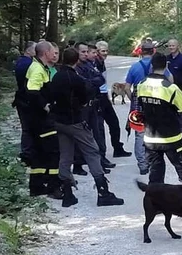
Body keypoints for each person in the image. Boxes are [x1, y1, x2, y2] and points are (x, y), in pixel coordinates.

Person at [49, 47, 124, 208]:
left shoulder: (56, 76)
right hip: (75, 121)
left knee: (65, 156)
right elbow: (85, 97)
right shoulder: (74, 78)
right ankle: (103, 192)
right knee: (92, 152)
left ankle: (67, 194)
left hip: (59, 122)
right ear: (76, 60)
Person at [138, 52, 182, 184]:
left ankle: (155, 202)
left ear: (151, 66)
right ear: (166, 66)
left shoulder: (141, 84)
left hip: (150, 138)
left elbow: (140, 106)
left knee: (155, 174)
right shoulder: (170, 88)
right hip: (171, 138)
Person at [125, 41, 172, 175]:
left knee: (140, 134)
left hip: (139, 103)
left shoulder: (134, 67)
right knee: (154, 132)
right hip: (156, 102)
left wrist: (133, 100)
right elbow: (171, 80)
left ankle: (142, 164)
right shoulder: (158, 66)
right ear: (153, 51)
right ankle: (153, 160)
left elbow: (127, 87)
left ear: (141, 51)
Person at [24, 41, 62, 198]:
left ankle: (37, 186)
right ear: (45, 53)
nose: (54, 54)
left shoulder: (39, 67)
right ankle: (54, 186)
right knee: (53, 152)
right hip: (42, 120)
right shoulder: (38, 69)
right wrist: (45, 105)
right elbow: (32, 92)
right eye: (52, 52)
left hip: (35, 119)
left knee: (39, 153)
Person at [75, 42, 115, 173]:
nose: (86, 54)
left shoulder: (89, 65)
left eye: (87, 52)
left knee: (98, 133)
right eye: (83, 52)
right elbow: (83, 85)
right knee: (83, 136)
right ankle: (78, 164)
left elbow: (100, 79)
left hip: (95, 103)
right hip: (83, 106)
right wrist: (91, 82)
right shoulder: (76, 67)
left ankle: (100, 162)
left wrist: (91, 82)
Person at [95, 41, 131, 158]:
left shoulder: (101, 63)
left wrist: (107, 96)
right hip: (97, 99)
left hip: (104, 97)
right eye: (102, 51)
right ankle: (101, 156)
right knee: (99, 129)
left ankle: (117, 149)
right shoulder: (94, 64)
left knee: (114, 123)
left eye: (106, 50)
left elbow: (103, 82)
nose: (105, 53)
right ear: (97, 51)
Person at [13, 41, 36, 162]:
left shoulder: (21, 61)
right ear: (28, 50)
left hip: (22, 99)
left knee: (27, 128)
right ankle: (27, 154)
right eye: (34, 48)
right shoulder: (27, 64)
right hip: (25, 99)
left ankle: (28, 152)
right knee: (28, 128)